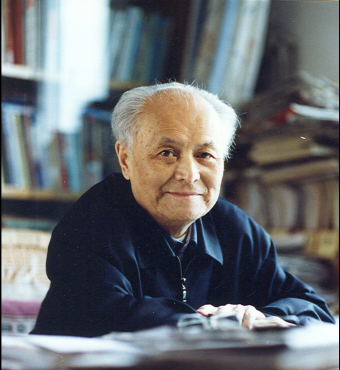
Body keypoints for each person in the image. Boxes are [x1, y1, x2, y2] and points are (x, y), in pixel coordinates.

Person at [31, 82, 335, 337]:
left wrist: (257, 318)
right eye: (167, 153)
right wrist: (216, 323)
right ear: (126, 159)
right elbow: (107, 319)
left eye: (204, 154)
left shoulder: (235, 229)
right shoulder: (88, 227)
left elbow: (314, 311)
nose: (188, 174)